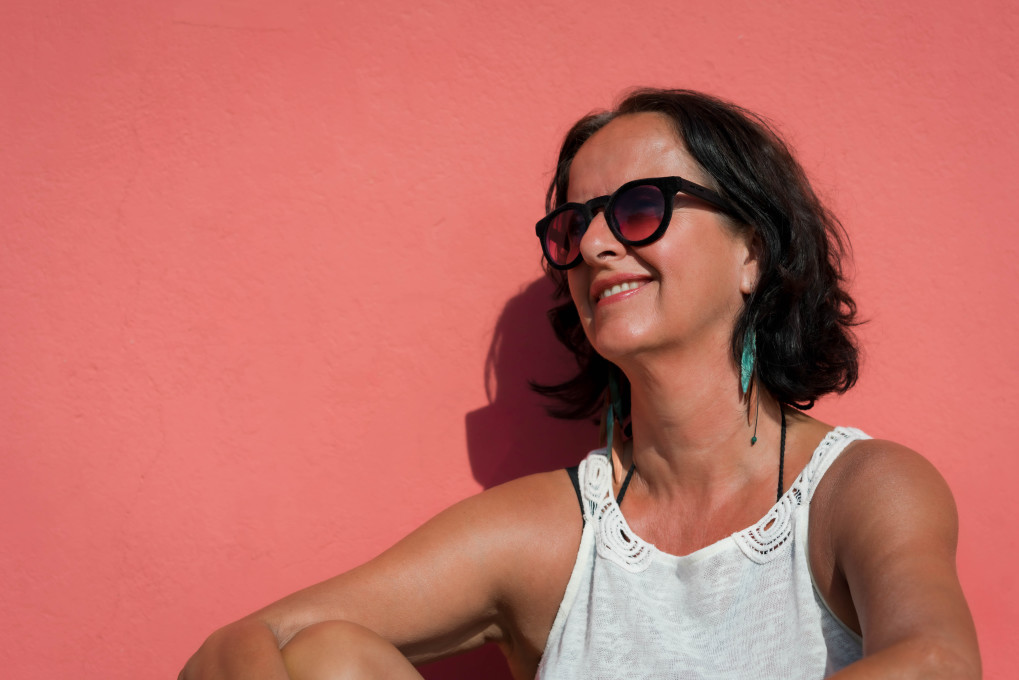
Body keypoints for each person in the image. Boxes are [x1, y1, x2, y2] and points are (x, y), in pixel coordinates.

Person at [180, 89, 981, 679]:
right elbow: (239, 652)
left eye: (639, 209)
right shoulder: (552, 532)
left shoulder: (857, 489)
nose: (596, 245)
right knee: (329, 658)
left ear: (753, 253)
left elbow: (938, 662)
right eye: (573, 224)